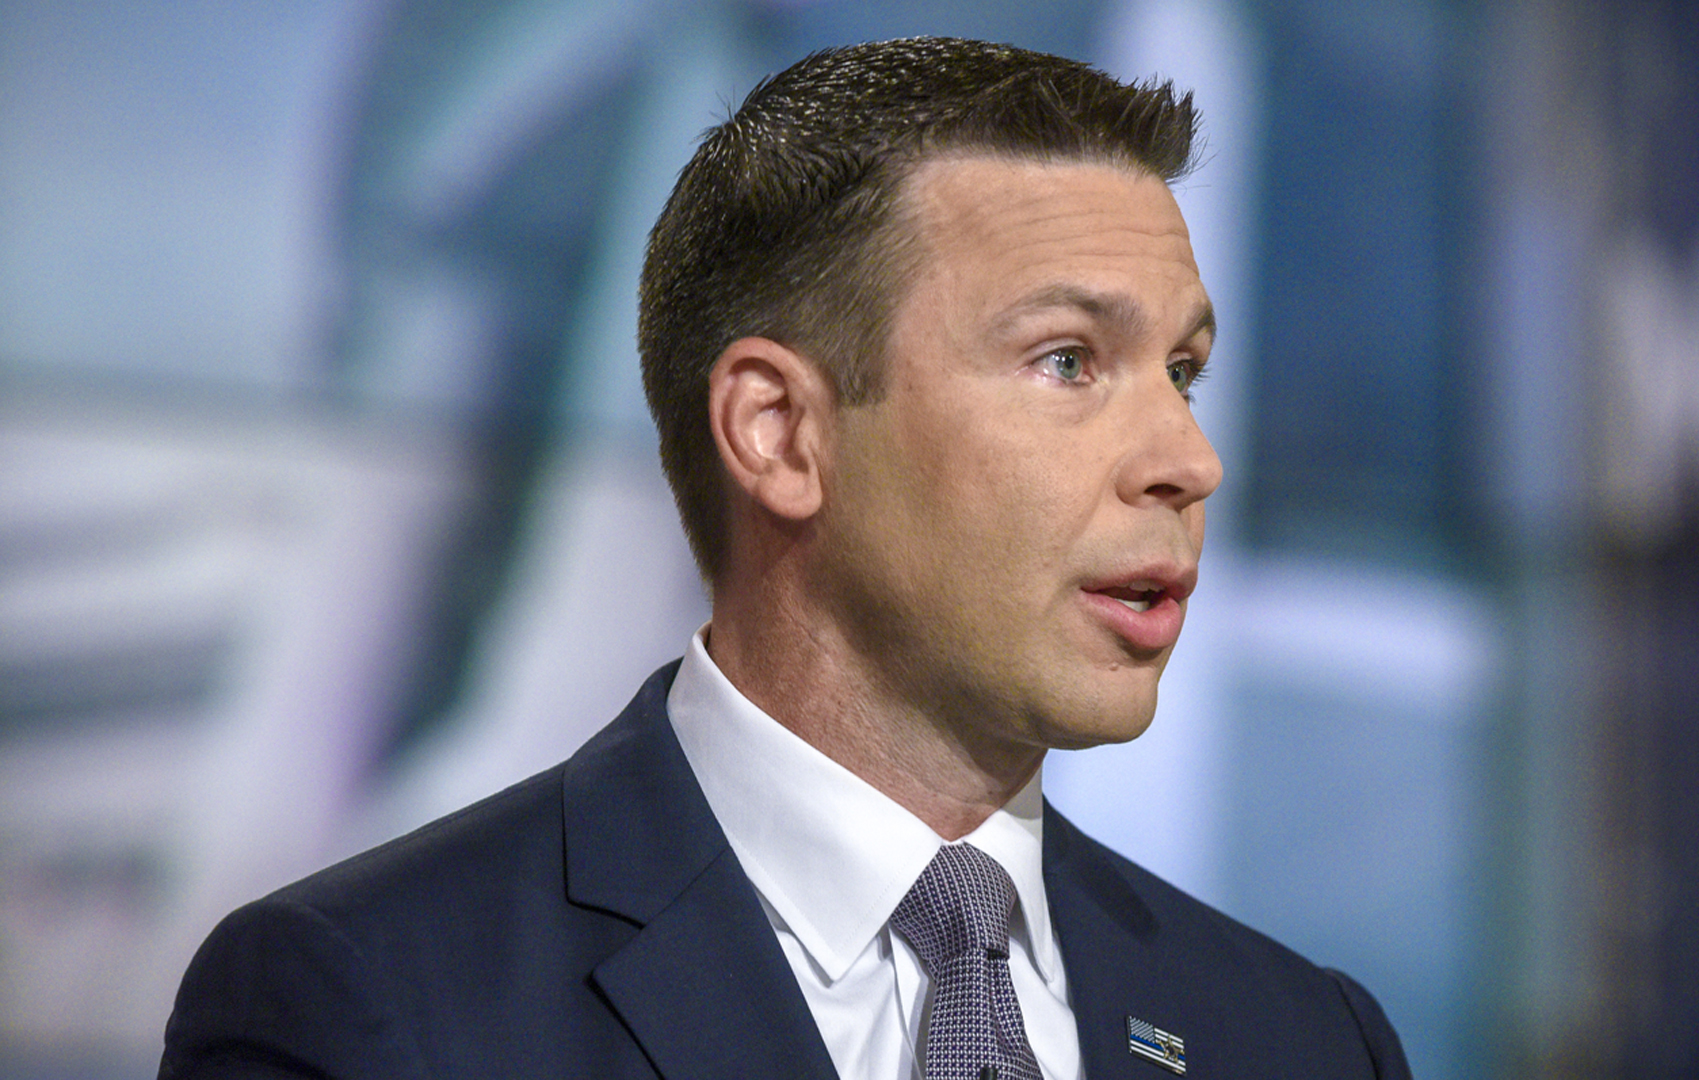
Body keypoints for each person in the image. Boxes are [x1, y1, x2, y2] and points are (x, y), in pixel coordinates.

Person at [159, 37, 1411, 1080]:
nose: (1189, 461)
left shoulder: (1303, 1040)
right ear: (780, 432)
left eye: (1183, 372)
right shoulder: (367, 1008)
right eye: (1068, 361)